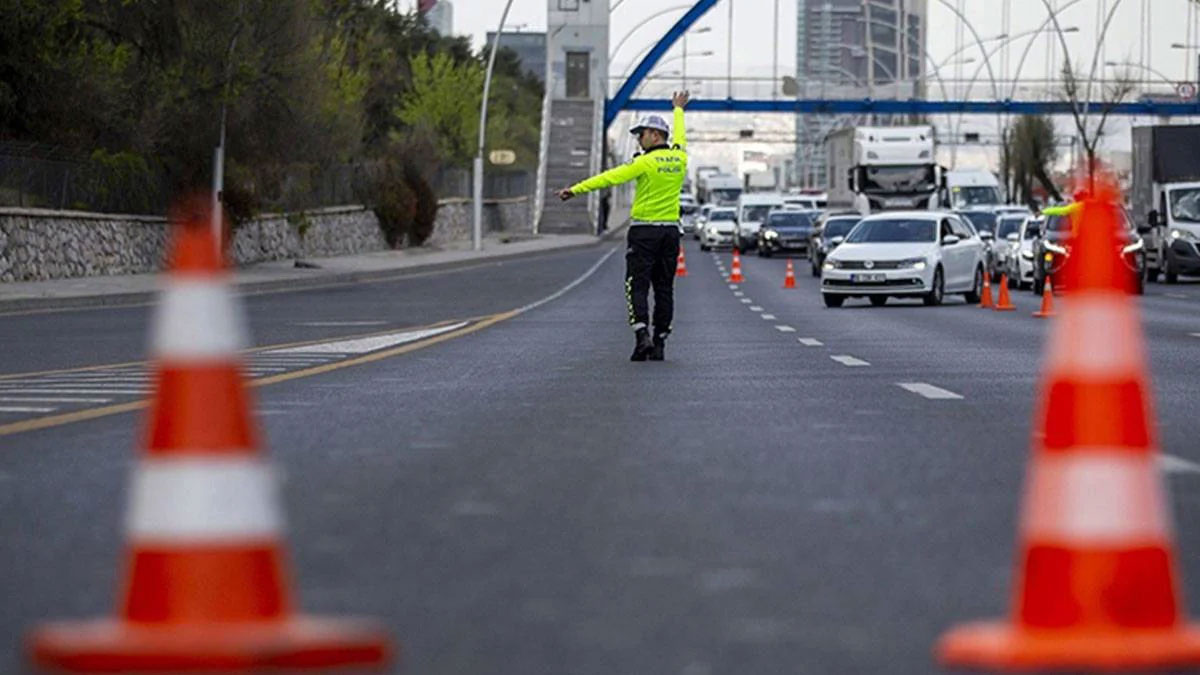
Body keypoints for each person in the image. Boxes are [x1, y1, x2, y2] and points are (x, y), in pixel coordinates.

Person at [557, 91, 690, 361]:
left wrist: (575, 189)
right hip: (670, 233)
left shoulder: (644, 162)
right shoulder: (680, 159)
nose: (639, 140)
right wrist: (678, 110)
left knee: (636, 285)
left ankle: (642, 336)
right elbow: (681, 137)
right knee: (664, 288)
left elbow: (609, 178)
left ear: (654, 135)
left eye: (641, 134)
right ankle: (661, 341)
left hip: (644, 232)